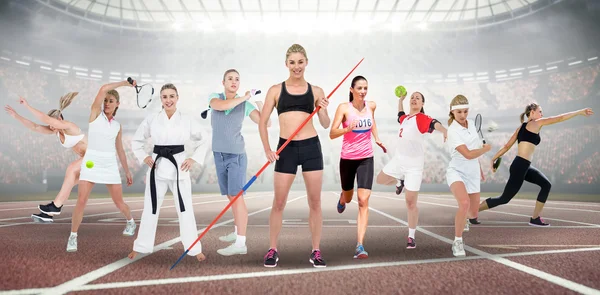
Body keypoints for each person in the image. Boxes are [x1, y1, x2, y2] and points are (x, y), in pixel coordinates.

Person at [258, 43, 330, 268]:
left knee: (315, 202)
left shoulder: (317, 91)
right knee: (279, 202)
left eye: (300, 62)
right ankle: (272, 250)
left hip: (311, 148)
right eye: (292, 62)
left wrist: (324, 108)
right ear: (286, 64)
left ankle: (316, 251)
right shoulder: (275, 90)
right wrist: (268, 149)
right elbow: (262, 122)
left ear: (306, 62)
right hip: (285, 150)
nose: (296, 67)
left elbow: (326, 124)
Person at [128, 83, 207, 262]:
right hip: (158, 166)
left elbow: (204, 138)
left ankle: (194, 249)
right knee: (150, 208)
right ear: (161, 100)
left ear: (177, 98)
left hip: (180, 166)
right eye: (165, 97)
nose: (168, 100)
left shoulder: (186, 119)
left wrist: (193, 158)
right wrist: (144, 156)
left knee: (185, 209)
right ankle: (141, 246)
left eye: (172, 96)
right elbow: (136, 141)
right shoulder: (152, 119)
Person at [479, 103, 594, 226]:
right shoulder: (536, 123)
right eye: (540, 111)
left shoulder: (521, 127)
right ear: (532, 112)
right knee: (504, 198)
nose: (542, 114)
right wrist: (579, 112)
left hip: (522, 165)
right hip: (520, 166)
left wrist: (493, 159)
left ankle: (535, 218)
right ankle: (472, 211)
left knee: (546, 184)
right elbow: (559, 118)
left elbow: (507, 146)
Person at [67, 80, 136, 252]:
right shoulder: (95, 114)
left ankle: (131, 222)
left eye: (111, 101)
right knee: (81, 201)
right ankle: (73, 236)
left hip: (110, 164)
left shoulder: (118, 126)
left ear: (117, 104)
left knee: (119, 203)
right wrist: (126, 83)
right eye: (105, 100)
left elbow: (120, 150)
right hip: (92, 162)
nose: (106, 103)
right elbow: (103, 89)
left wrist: (127, 170)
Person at [208, 69, 270, 256]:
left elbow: (266, 124)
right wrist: (245, 97)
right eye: (230, 79)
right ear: (223, 82)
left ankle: (240, 243)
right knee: (230, 196)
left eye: (237, 79)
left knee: (237, 198)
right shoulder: (215, 97)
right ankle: (236, 232)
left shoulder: (246, 105)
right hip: (219, 155)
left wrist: (258, 100)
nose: (234, 82)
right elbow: (220, 106)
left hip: (236, 156)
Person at [375, 90, 447, 249]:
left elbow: (434, 123)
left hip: (414, 166)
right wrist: (401, 99)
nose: (414, 99)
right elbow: (399, 114)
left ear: (422, 104)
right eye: (412, 97)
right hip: (398, 160)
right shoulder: (406, 118)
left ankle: (411, 236)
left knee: (410, 202)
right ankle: (400, 180)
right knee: (380, 179)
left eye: (418, 98)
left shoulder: (421, 118)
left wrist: (444, 130)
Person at [4, 92, 85, 223]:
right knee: (70, 182)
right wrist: (16, 116)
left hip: (95, 156)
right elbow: (35, 127)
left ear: (59, 120)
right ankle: (48, 214)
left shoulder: (70, 126)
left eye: (53, 123)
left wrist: (27, 106)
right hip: (88, 161)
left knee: (71, 168)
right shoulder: (56, 131)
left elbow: (45, 120)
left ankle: (55, 207)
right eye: (51, 126)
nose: (51, 127)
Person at [329, 75, 385, 259]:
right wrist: (346, 129)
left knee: (363, 200)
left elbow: (373, 121)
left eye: (365, 88)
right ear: (352, 89)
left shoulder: (372, 105)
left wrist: (376, 138)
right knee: (349, 195)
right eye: (359, 88)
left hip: (366, 158)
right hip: (348, 159)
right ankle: (343, 198)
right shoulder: (344, 108)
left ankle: (360, 245)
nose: (363, 91)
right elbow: (332, 133)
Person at [445, 95, 491, 257]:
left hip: (472, 172)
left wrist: (479, 169)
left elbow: (474, 150)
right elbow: (468, 154)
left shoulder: (471, 124)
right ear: (452, 112)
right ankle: (457, 242)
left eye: (465, 111)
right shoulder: (452, 131)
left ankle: (464, 218)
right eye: (459, 112)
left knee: (473, 213)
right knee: (463, 204)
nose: (463, 115)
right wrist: (485, 150)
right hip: (456, 170)